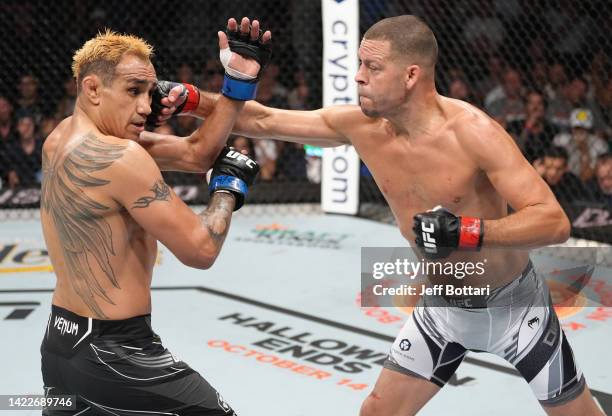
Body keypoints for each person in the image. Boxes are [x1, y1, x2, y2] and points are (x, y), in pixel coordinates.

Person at [140, 15, 603, 416]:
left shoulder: (474, 133)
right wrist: (193, 100)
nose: (358, 76)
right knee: (378, 411)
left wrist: (467, 231)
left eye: (372, 67)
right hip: (442, 309)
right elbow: (262, 121)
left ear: (411, 76)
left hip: (514, 308)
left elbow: (553, 220)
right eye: (360, 64)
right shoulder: (362, 126)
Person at [40, 18, 270, 415]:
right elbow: (201, 250)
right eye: (133, 91)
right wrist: (227, 189)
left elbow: (196, 153)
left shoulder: (60, 137)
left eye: (149, 91)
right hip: (118, 353)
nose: (146, 106)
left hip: (60, 343)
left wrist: (237, 81)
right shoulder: (124, 158)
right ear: (93, 89)